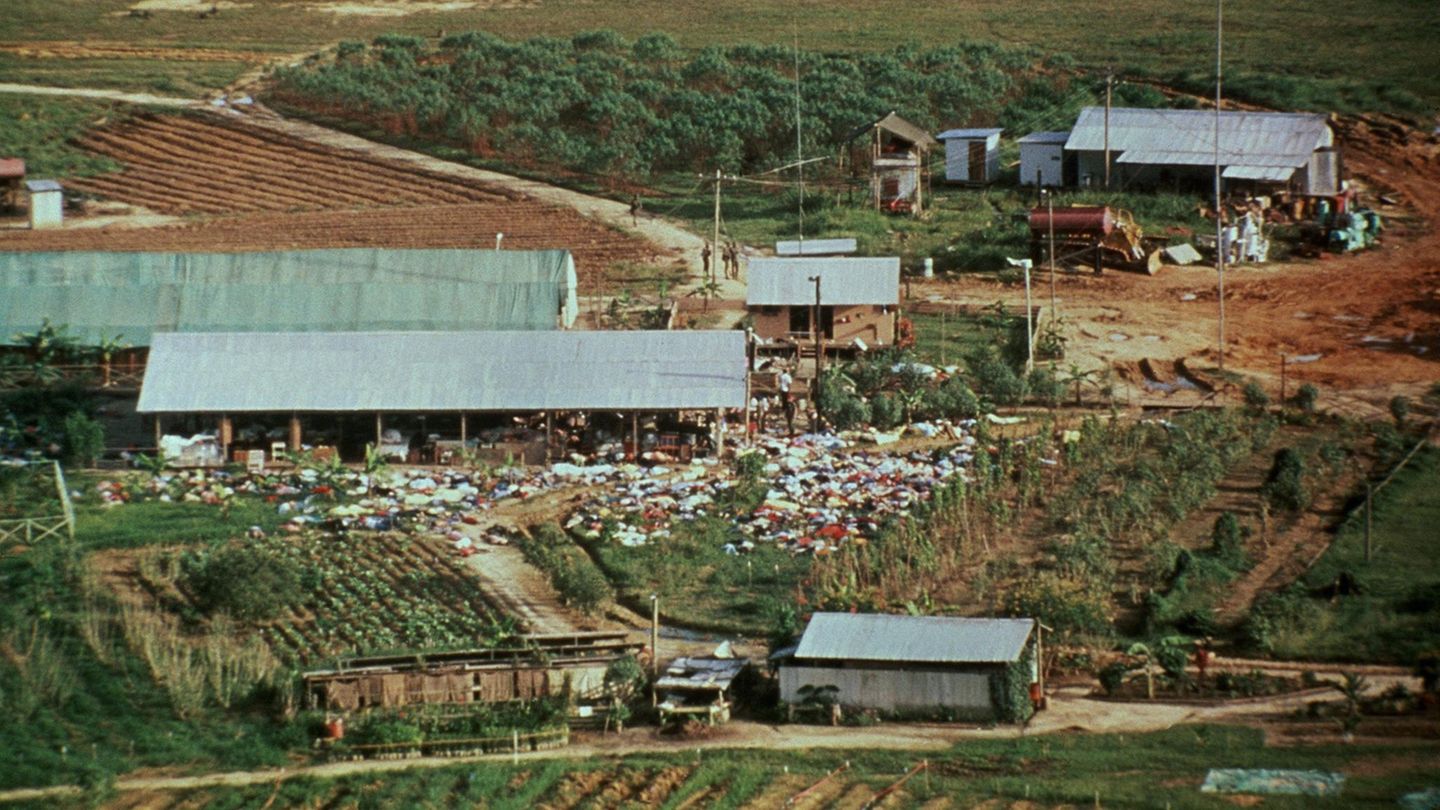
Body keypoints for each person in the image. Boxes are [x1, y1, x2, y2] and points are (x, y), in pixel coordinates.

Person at [778, 366, 795, 436]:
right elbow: (789, 384)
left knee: (784, 401)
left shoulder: (782, 376)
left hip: (782, 389)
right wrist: (789, 390)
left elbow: (780, 382)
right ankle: (785, 408)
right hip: (786, 390)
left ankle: (784, 408)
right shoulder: (788, 376)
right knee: (786, 401)